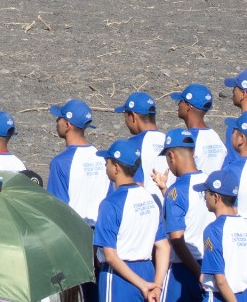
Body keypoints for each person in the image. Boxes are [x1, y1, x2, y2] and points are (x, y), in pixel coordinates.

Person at [94, 137, 171, 302]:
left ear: (116, 167)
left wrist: (143, 285)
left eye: (107, 162)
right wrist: (156, 286)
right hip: (148, 270)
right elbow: (163, 246)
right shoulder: (149, 199)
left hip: (120, 277)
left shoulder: (110, 203)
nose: (105, 165)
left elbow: (110, 256)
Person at [159, 129, 210, 302]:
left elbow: (177, 239)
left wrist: (197, 273)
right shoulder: (210, 182)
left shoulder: (177, 191)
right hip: (211, 264)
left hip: (184, 269)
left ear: (171, 156)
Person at [199, 169, 247, 302]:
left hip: (219, 297)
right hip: (245, 296)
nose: (204, 197)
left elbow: (220, 280)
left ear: (216, 197)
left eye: (206, 193)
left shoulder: (213, 230)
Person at [47, 99, 109, 227]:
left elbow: (56, 209)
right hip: (101, 234)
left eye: (59, 118)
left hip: (75, 233)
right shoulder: (102, 158)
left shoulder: (61, 162)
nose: (56, 121)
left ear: (67, 125)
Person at [170, 84, 227, 175]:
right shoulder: (215, 136)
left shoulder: (188, 139)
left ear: (188, 106)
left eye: (180, 101)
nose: (179, 105)